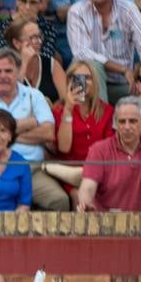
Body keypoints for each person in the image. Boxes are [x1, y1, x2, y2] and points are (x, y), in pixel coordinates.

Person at [0, 48, 66, 209]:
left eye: (8, 71)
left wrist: (2, 133)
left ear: (18, 71)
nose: (2, 76)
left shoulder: (34, 95)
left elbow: (48, 133)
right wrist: (31, 122)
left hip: (32, 168)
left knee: (59, 200)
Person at [67, 0, 141, 103]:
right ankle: (93, 122)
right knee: (89, 65)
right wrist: (123, 69)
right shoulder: (77, 11)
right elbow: (81, 54)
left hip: (122, 84)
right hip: (88, 84)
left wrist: (140, 76)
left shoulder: (127, 9)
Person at [78, 97, 141, 212]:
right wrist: (86, 204)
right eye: (122, 121)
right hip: (104, 223)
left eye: (132, 121)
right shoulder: (99, 150)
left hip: (140, 225)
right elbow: (88, 187)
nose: (126, 127)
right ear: (115, 124)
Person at [49, 58, 112, 189]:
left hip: (99, 172)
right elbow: (64, 148)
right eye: (77, 78)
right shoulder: (59, 110)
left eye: (88, 78)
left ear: (94, 82)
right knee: (78, 197)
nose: (83, 82)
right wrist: (69, 108)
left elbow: (109, 150)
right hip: (71, 173)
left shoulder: (106, 110)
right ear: (68, 82)